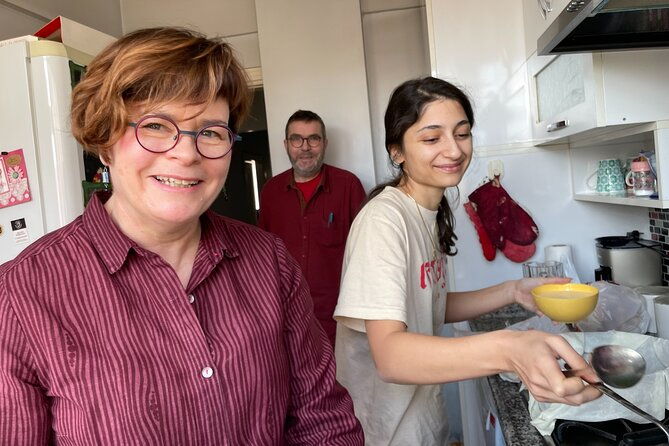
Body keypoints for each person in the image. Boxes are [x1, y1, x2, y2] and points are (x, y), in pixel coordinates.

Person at [0, 27, 363, 445]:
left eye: (210, 132)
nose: (187, 153)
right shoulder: (21, 296)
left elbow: (325, 424)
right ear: (103, 139)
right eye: (155, 125)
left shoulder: (270, 262)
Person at [333, 77, 601, 445]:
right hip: (384, 432)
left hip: (419, 421)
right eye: (432, 138)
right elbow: (391, 357)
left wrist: (513, 290)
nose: (454, 150)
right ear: (397, 152)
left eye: (462, 134)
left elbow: (429, 304)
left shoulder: (427, 211)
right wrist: (509, 349)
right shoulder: (384, 220)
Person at [258, 110, 366, 345]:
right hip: (287, 317)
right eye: (296, 139)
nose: (305, 147)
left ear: (324, 143)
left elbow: (366, 254)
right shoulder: (271, 191)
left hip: (339, 318)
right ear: (286, 145)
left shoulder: (348, 186)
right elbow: (263, 257)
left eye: (313, 139)